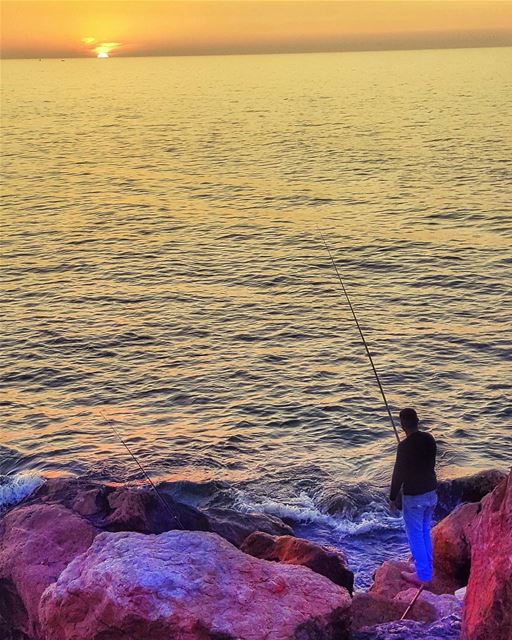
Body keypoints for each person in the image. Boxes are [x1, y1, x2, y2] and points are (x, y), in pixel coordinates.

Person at [389, 407, 437, 587]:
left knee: (415, 535)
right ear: (417, 421)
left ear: (402, 425)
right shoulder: (429, 439)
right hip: (431, 494)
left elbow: (398, 474)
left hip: (415, 498)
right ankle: (426, 567)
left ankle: (423, 575)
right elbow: (427, 461)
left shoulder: (404, 447)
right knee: (424, 532)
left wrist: (392, 498)